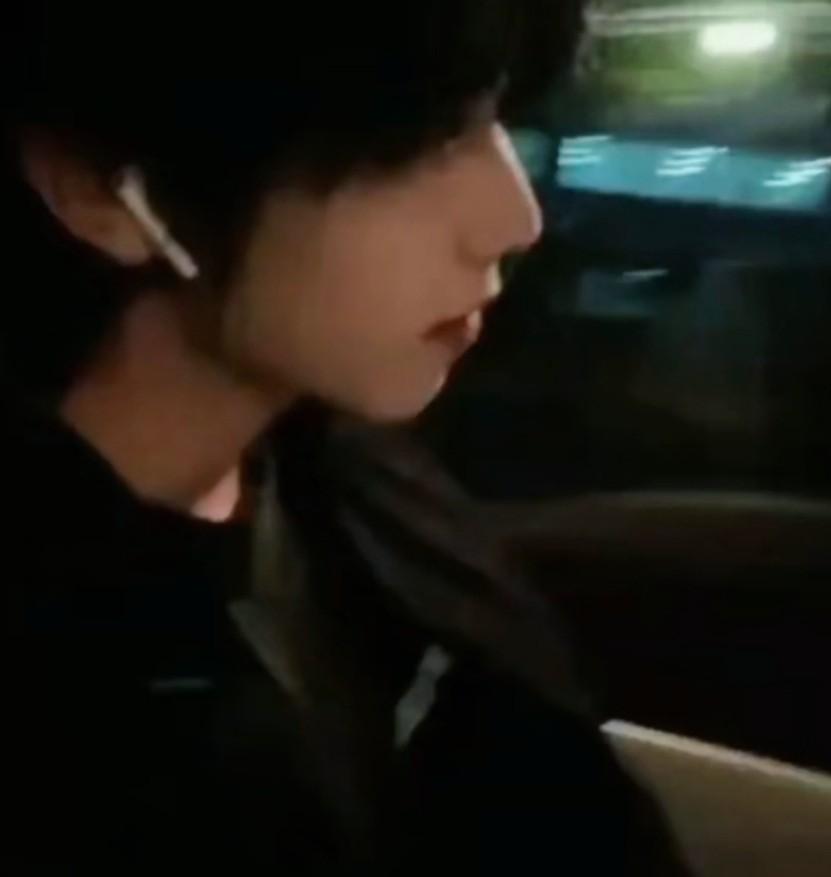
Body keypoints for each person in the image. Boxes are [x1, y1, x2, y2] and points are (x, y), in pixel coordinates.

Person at [1, 3, 690, 873]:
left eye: (493, 121)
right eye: (404, 150)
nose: (514, 219)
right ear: (100, 191)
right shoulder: (56, 678)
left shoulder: (357, 481)